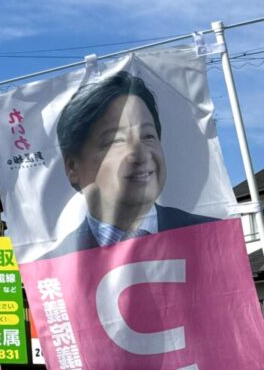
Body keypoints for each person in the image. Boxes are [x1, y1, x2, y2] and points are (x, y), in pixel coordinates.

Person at [42, 71, 219, 259]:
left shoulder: (212, 236)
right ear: (72, 167)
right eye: (116, 140)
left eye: (148, 136)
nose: (140, 154)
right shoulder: (53, 267)